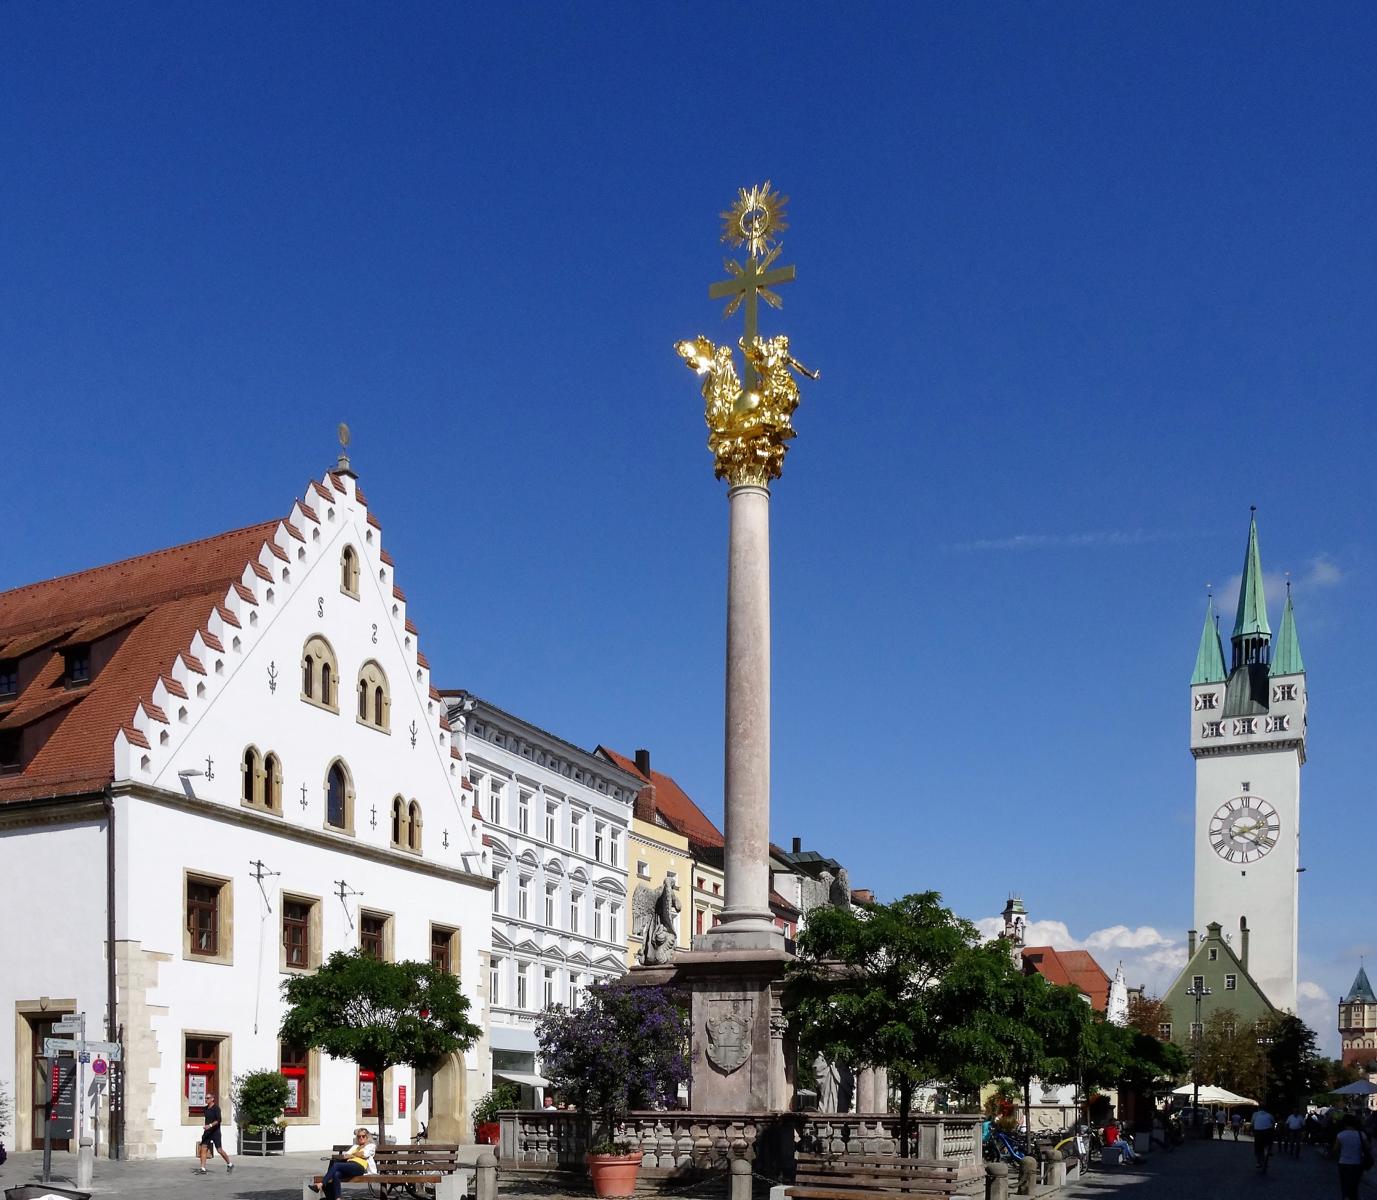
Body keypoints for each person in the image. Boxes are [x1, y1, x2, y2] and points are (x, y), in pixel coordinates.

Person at [310, 1127, 376, 1198]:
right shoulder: (355, 1146)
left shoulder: (371, 1146)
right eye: (359, 1136)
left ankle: (321, 1185)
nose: (361, 1138)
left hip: (359, 1167)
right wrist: (353, 1155)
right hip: (349, 1165)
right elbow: (345, 1156)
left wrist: (352, 1155)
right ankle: (337, 1198)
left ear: (367, 1137)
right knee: (336, 1174)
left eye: (363, 1136)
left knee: (336, 1164)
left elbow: (364, 1154)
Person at [195, 1092, 233, 1174]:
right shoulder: (205, 1109)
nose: (206, 1099)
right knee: (203, 1148)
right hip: (207, 1132)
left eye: (207, 1098)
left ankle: (229, 1164)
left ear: (212, 1099)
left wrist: (210, 1125)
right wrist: (206, 1127)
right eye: (205, 1098)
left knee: (219, 1150)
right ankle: (203, 1168)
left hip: (215, 1132)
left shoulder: (216, 1108)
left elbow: (219, 1120)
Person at [1334, 1115, 1369, 1200]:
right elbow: (1368, 1147)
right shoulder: (1361, 1135)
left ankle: (1346, 1198)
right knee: (1354, 1186)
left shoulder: (1340, 1135)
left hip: (1343, 1163)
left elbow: (1335, 1149)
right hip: (1357, 1163)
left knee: (1344, 1186)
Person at [1251, 1105, 1276, 1170]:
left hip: (1258, 1132)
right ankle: (1270, 1149)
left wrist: (1253, 1131)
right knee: (1270, 1140)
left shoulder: (1255, 1114)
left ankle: (1258, 1162)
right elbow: (1273, 1123)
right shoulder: (1269, 1115)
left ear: (1259, 1109)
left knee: (1257, 1147)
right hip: (1267, 1132)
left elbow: (1252, 1124)